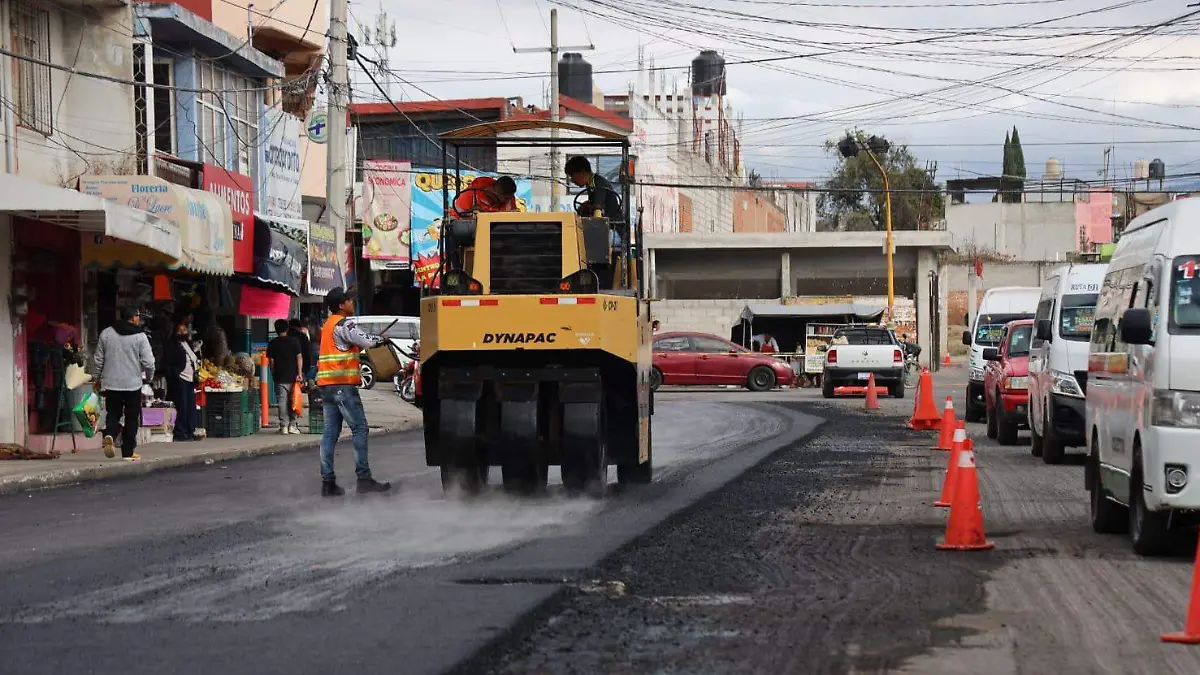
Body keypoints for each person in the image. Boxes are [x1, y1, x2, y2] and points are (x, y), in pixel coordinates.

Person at [316, 288, 391, 497]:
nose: (353, 303)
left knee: (330, 433)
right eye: (350, 300)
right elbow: (365, 340)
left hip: (327, 387)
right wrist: (380, 340)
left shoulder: (327, 325)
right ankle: (364, 478)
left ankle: (328, 482)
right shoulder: (343, 323)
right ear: (341, 305)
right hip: (342, 387)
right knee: (360, 429)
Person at [92, 306, 155, 461]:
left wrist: (97, 378)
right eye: (138, 316)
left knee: (113, 412)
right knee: (131, 417)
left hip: (111, 383)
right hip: (132, 383)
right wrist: (149, 377)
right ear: (133, 318)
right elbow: (149, 362)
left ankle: (110, 435)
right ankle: (128, 452)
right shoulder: (140, 336)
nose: (139, 319)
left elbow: (98, 359)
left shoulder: (106, 333)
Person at [161, 318, 200, 442]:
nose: (183, 332)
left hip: (190, 379)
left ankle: (190, 430)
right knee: (182, 406)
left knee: (190, 406)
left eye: (184, 330)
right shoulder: (171, 345)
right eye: (180, 330)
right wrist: (173, 375)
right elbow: (166, 363)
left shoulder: (187, 344)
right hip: (180, 379)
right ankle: (181, 432)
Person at [267, 319, 304, 435]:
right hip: (293, 376)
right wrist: (299, 373)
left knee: (282, 401)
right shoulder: (294, 341)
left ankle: (284, 426)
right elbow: (299, 357)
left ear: (276, 330)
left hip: (280, 376)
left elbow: (271, 361)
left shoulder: (273, 343)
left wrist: (273, 372)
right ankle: (293, 426)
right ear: (287, 329)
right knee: (293, 400)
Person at [565, 156, 624, 223]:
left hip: (613, 227)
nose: (572, 180)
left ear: (582, 172)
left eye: (572, 176)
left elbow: (597, 210)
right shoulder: (591, 184)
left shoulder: (598, 184)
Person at [449, 175, 518, 218]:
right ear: (495, 191)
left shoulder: (509, 197)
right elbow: (455, 218)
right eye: (505, 198)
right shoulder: (470, 196)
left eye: (509, 198)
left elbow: (513, 220)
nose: (508, 200)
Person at [289, 318, 314, 386]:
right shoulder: (303, 337)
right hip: (301, 367)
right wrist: (306, 368)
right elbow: (307, 353)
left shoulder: (286, 336)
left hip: (286, 369)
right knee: (297, 390)